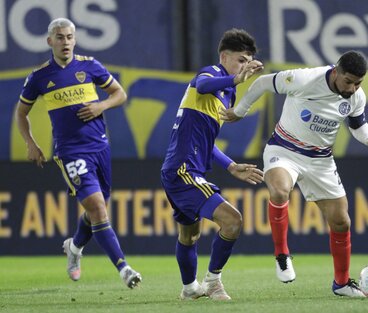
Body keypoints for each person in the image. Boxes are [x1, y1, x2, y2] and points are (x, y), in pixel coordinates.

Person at [220, 50, 368, 297]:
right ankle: (282, 254)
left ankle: (341, 283)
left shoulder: (355, 96)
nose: (352, 88)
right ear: (336, 72)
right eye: (348, 81)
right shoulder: (306, 79)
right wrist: (241, 110)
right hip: (284, 149)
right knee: (279, 190)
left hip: (321, 160)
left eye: (358, 83)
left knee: (342, 221)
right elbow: (264, 82)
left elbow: (357, 123)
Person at [15, 18, 142, 289]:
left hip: (100, 147)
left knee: (97, 210)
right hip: (71, 151)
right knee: (97, 207)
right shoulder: (40, 76)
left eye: (70, 37)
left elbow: (120, 94)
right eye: (60, 37)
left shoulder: (90, 66)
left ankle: (74, 246)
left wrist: (101, 106)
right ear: (50, 42)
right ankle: (124, 269)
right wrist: (30, 143)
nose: (66, 42)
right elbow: (21, 112)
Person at [161, 28, 264, 301]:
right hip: (183, 170)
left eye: (249, 61)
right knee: (233, 221)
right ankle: (214, 282)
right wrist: (234, 77)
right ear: (224, 56)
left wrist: (231, 166)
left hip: (181, 169)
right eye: (241, 60)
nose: (245, 67)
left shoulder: (227, 94)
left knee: (189, 235)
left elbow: (207, 142)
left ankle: (189, 288)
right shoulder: (211, 74)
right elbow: (203, 84)